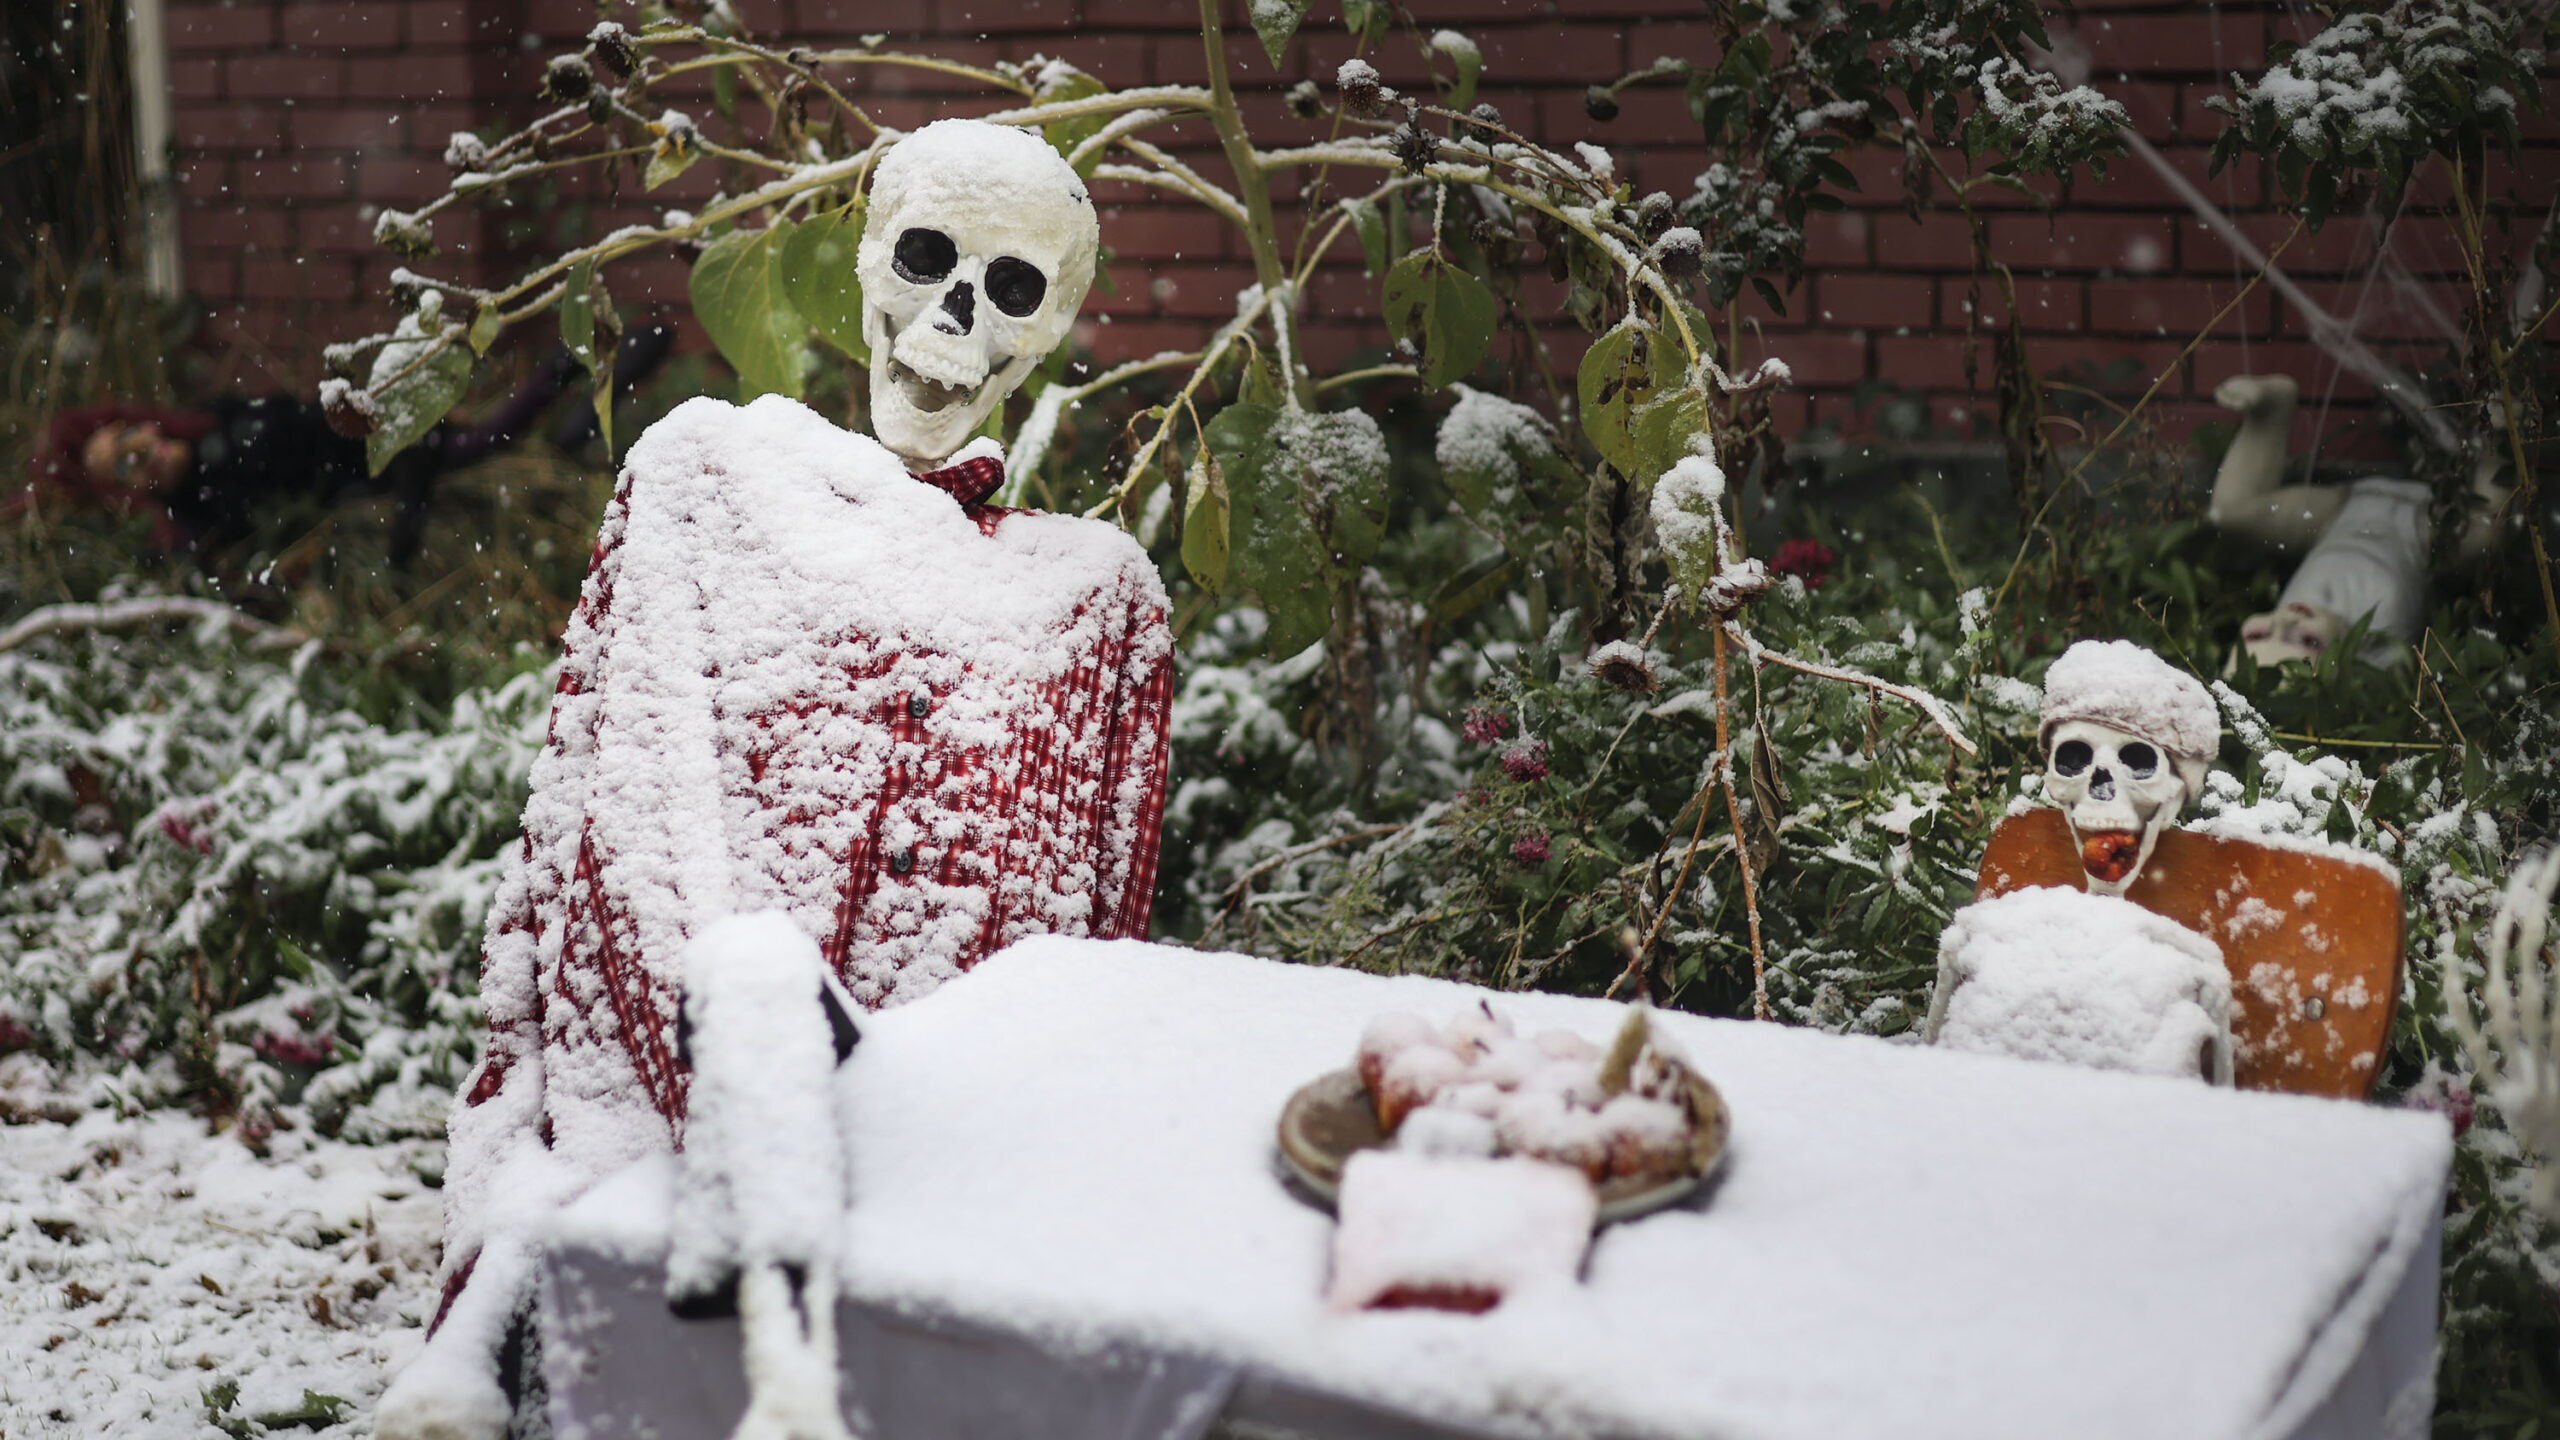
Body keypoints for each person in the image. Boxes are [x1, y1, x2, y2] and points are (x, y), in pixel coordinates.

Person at [376, 120, 1173, 1439]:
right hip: (694, 1069)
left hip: (938, 1138)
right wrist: (727, 1090)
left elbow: (1090, 946)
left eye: (1012, 289)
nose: (955, 315)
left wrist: (957, 1137)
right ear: (865, 269)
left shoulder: (1094, 599)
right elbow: (631, 811)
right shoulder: (707, 474)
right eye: (926, 261)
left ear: (1045, 335)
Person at [2210, 373, 2512, 666]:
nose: (2286, 618)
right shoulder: (2380, 649)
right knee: (2483, 538)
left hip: (2339, 514)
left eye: (2258, 634)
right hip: (2422, 532)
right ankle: (2495, 436)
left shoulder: (2296, 612)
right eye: (2306, 641)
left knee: (2231, 515)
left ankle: (2271, 410)